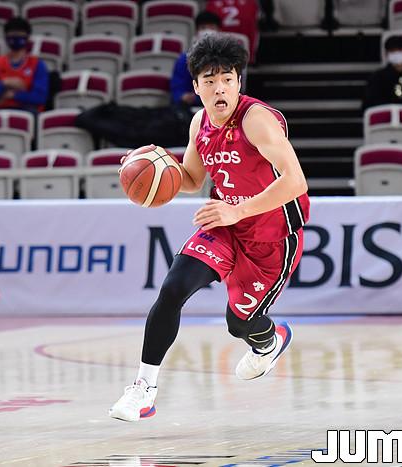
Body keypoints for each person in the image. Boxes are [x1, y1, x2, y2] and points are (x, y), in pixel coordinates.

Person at [109, 33, 310, 422]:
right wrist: (152, 164)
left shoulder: (256, 120)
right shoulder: (199, 123)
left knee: (240, 324)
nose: (220, 88)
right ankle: (143, 390)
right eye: (210, 80)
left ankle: (270, 341)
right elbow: (190, 178)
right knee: (173, 289)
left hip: (271, 235)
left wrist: (240, 210)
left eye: (228, 79)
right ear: (196, 87)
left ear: (239, 81)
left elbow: (295, 181)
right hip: (224, 224)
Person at [0, 17, 49, 113]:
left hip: (27, 113)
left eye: (20, 35)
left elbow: (40, 97)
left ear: (28, 37)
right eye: (12, 35)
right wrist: (5, 83)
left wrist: (13, 95)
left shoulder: (37, 64)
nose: (16, 39)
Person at [362, 35, 402, 111]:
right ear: (386, 54)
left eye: (399, 50)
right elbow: (369, 104)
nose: (396, 54)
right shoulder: (377, 78)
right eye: (392, 51)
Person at [170, 11, 221, 107]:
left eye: (212, 28)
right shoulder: (185, 59)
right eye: (203, 28)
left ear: (219, 31)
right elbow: (178, 87)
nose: (207, 32)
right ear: (197, 32)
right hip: (191, 108)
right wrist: (182, 96)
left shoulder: (228, 59)